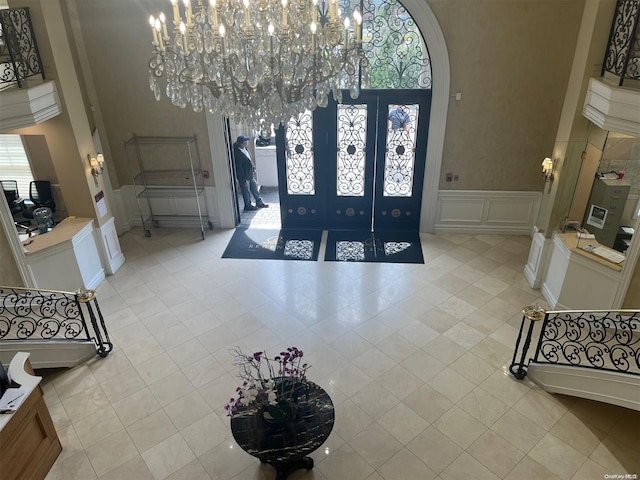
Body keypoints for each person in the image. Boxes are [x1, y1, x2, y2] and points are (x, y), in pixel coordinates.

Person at [233, 135, 269, 211]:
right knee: (246, 191)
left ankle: (259, 202)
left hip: (250, 174)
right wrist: (243, 180)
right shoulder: (237, 153)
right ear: (241, 143)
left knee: (254, 188)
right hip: (244, 177)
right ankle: (248, 205)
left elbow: (250, 160)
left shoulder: (245, 149)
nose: (247, 143)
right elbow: (239, 168)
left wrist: (253, 168)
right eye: (246, 142)